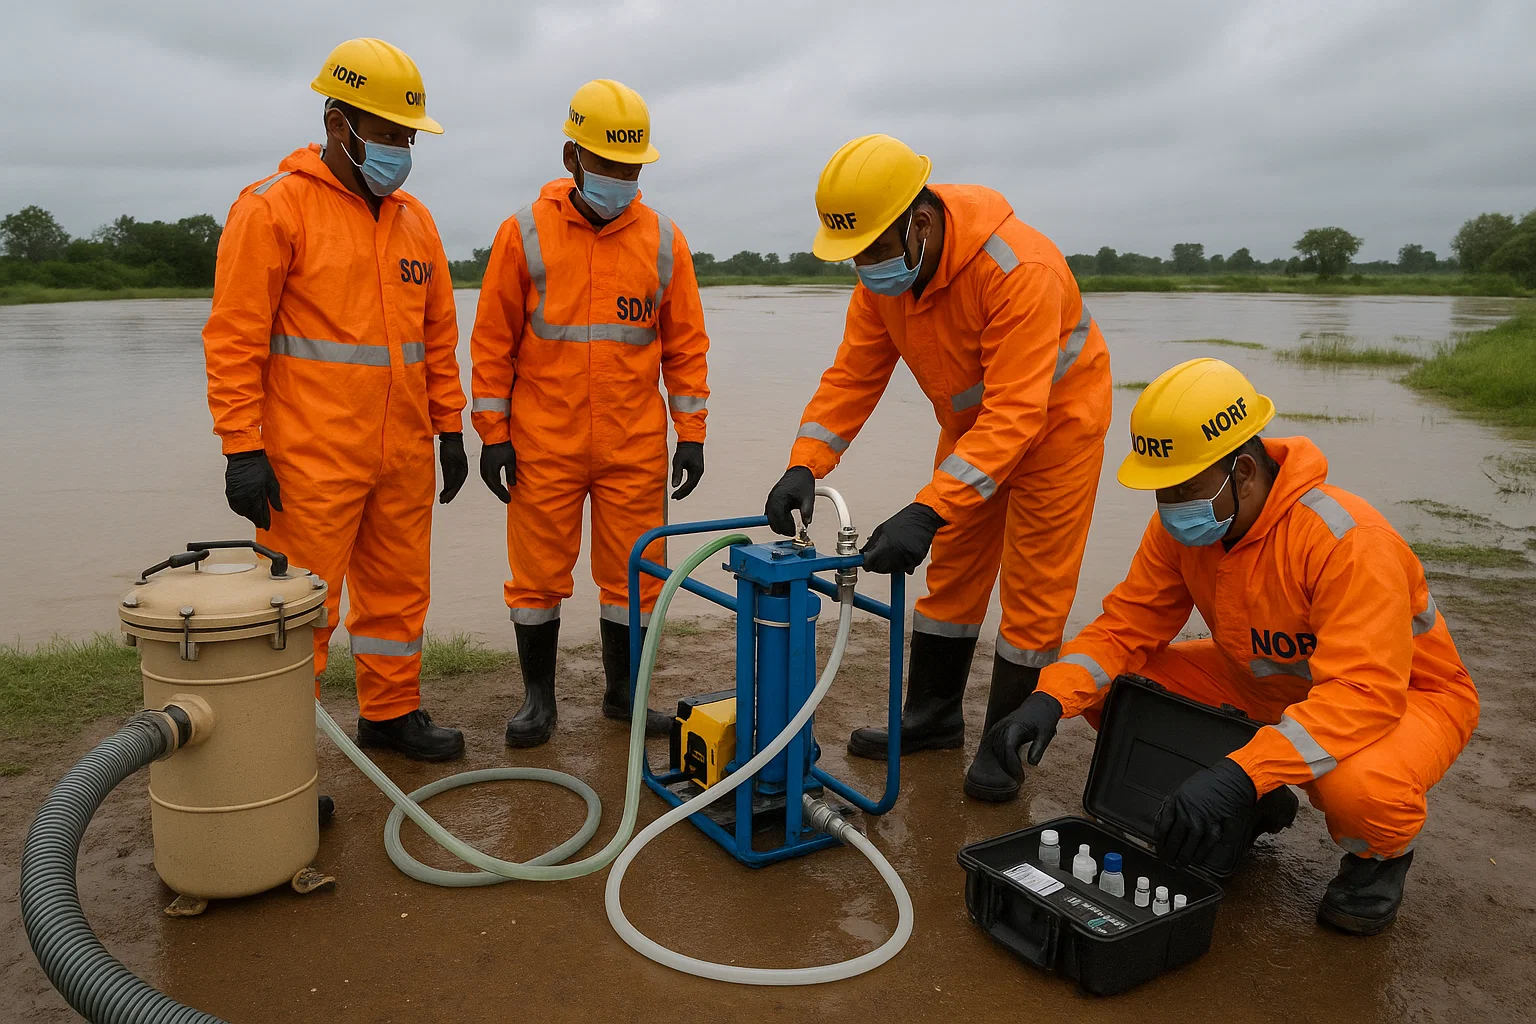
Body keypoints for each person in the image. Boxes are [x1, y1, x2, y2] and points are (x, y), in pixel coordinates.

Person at [971, 358, 1480, 935]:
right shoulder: (1184, 529)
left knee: (1361, 787)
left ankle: (1376, 863)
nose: (1169, 504)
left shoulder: (1348, 542)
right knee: (1116, 688)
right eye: (1161, 488)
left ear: (1243, 470)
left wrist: (1239, 772)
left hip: (1402, 697)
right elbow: (1124, 628)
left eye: (1184, 487)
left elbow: (1364, 692)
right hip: (1263, 683)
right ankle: (1256, 801)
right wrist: (1047, 700)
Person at [763, 134, 1111, 795]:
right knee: (951, 575)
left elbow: (1017, 414)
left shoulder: (1019, 270)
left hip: (1057, 433)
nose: (865, 266)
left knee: (1034, 594)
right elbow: (853, 377)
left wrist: (927, 507)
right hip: (974, 431)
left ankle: (1005, 744)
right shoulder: (883, 282)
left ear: (919, 222)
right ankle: (932, 718)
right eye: (855, 254)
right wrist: (805, 464)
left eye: (873, 250)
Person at [203, 38, 468, 762]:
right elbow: (234, 339)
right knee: (300, 609)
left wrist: (450, 428)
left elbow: (437, 338)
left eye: (408, 137)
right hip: (309, 460)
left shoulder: (416, 221)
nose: (400, 150)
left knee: (399, 595)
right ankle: (285, 753)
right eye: (387, 133)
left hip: (403, 452)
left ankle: (391, 714)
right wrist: (242, 448)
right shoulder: (273, 209)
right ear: (336, 123)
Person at [470, 79, 710, 748]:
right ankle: (538, 700)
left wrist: (692, 434)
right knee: (536, 579)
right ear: (571, 156)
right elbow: (491, 342)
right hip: (542, 442)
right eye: (608, 164)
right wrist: (493, 435)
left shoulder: (663, 239)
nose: (622, 180)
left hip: (634, 446)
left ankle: (625, 696)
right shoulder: (523, 233)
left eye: (632, 167)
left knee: (636, 575)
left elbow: (686, 345)